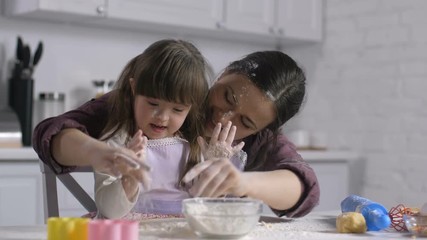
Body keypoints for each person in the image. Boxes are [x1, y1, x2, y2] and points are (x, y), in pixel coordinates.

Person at [33, 44, 320, 218]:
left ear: (262, 130)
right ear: (223, 74)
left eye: (245, 123)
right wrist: (99, 153)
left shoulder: (258, 140)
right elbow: (51, 133)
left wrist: (243, 184)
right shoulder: (149, 103)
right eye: (228, 98)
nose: (223, 116)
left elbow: (304, 189)